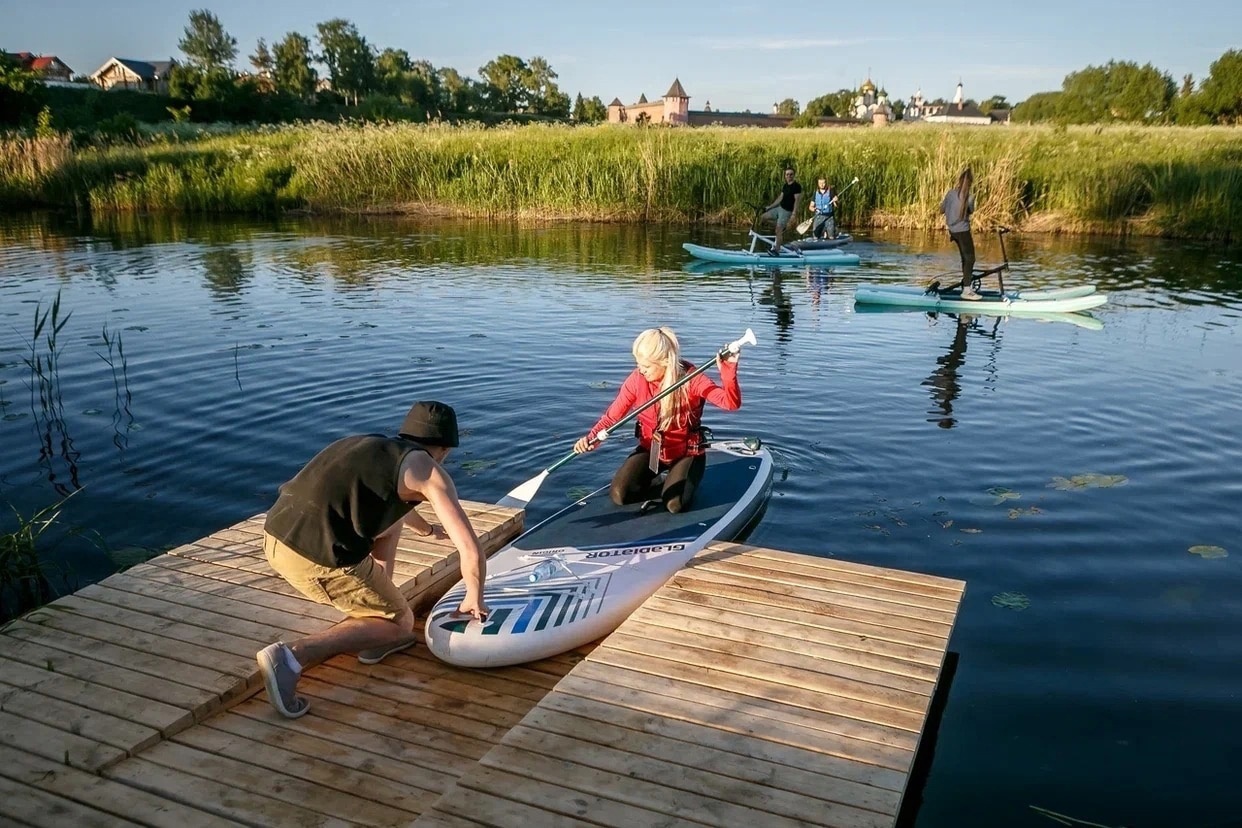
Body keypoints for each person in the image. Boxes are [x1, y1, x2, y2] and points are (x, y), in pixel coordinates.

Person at [256, 401, 489, 719]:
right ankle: (292, 657)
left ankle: (377, 622)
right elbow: (471, 549)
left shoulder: (370, 445)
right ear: (445, 450)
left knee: (390, 527)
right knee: (401, 623)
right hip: (312, 557)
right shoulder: (431, 473)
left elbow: (394, 510)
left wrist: (427, 530)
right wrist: (474, 597)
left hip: (273, 535)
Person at [573, 328, 741, 514]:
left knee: (674, 505)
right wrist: (592, 439)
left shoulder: (692, 378)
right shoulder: (637, 380)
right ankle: (662, 482)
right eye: (638, 364)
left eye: (646, 366)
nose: (641, 370)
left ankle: (681, 484)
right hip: (652, 450)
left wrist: (728, 371)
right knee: (620, 495)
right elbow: (612, 417)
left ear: (665, 362)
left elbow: (730, 403)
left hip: (687, 454)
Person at [940, 167, 979, 299]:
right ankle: (967, 290)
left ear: (959, 180)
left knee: (965, 258)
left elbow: (941, 210)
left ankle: (966, 285)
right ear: (970, 183)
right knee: (970, 259)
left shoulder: (950, 193)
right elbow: (971, 211)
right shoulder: (970, 198)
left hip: (953, 231)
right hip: (963, 232)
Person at [761, 167, 803, 255]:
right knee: (763, 217)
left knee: (778, 231)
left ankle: (777, 250)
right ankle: (781, 227)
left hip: (787, 211)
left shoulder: (796, 186)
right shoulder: (785, 185)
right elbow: (780, 198)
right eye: (787, 174)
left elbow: (797, 201)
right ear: (785, 176)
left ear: (794, 175)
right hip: (780, 208)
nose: (789, 176)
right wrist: (769, 207)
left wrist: (794, 213)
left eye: (791, 174)